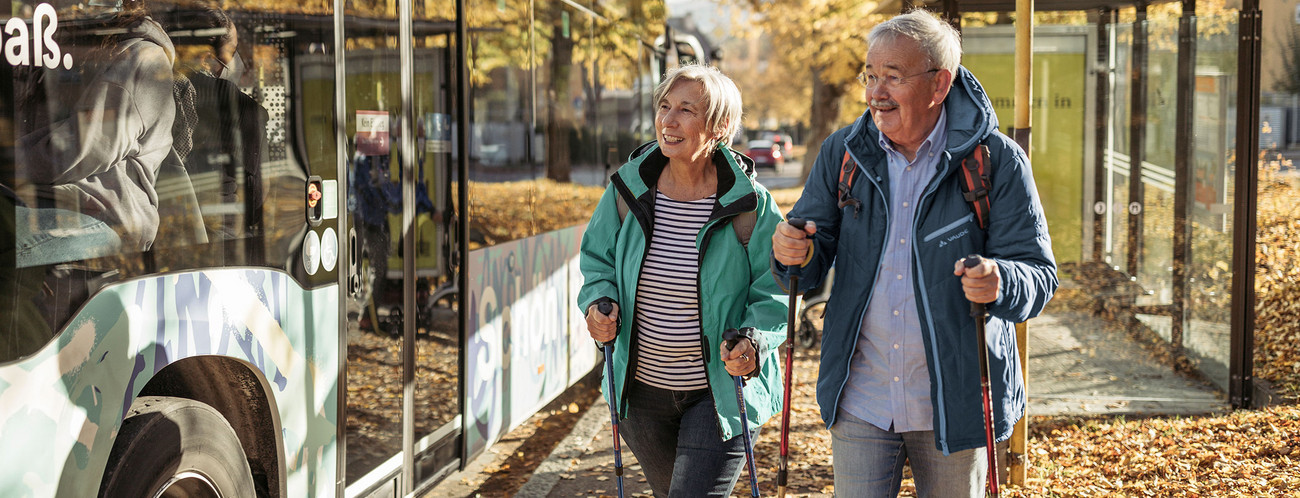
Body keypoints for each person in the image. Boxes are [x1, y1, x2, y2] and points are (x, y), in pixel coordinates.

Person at [770, 11, 1058, 498]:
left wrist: (1001, 281)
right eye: (871, 75)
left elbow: (1039, 274)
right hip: (861, 396)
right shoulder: (843, 151)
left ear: (939, 84)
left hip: (957, 402)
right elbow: (806, 261)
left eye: (893, 77)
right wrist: (791, 251)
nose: (875, 93)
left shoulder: (997, 160)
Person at [577, 63, 788, 497]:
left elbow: (777, 287)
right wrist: (599, 303)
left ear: (721, 125)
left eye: (687, 110)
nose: (668, 121)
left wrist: (755, 338)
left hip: (720, 393)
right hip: (641, 394)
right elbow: (597, 261)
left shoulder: (751, 204)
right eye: (664, 107)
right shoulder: (627, 191)